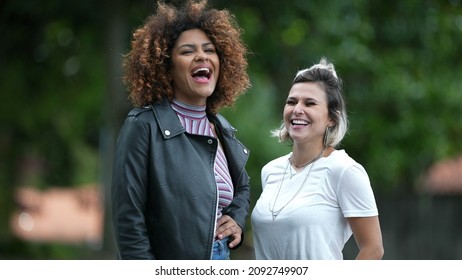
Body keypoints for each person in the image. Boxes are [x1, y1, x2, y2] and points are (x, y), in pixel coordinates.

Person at [111, 0, 252, 260]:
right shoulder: (143, 126)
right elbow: (129, 221)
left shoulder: (222, 129)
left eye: (209, 50)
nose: (202, 56)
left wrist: (236, 217)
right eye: (188, 51)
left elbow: (242, 187)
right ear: (166, 67)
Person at [251, 58, 384, 260]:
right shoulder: (270, 171)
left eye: (310, 103)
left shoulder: (344, 170)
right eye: (291, 101)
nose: (297, 109)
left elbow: (373, 249)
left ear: (332, 118)